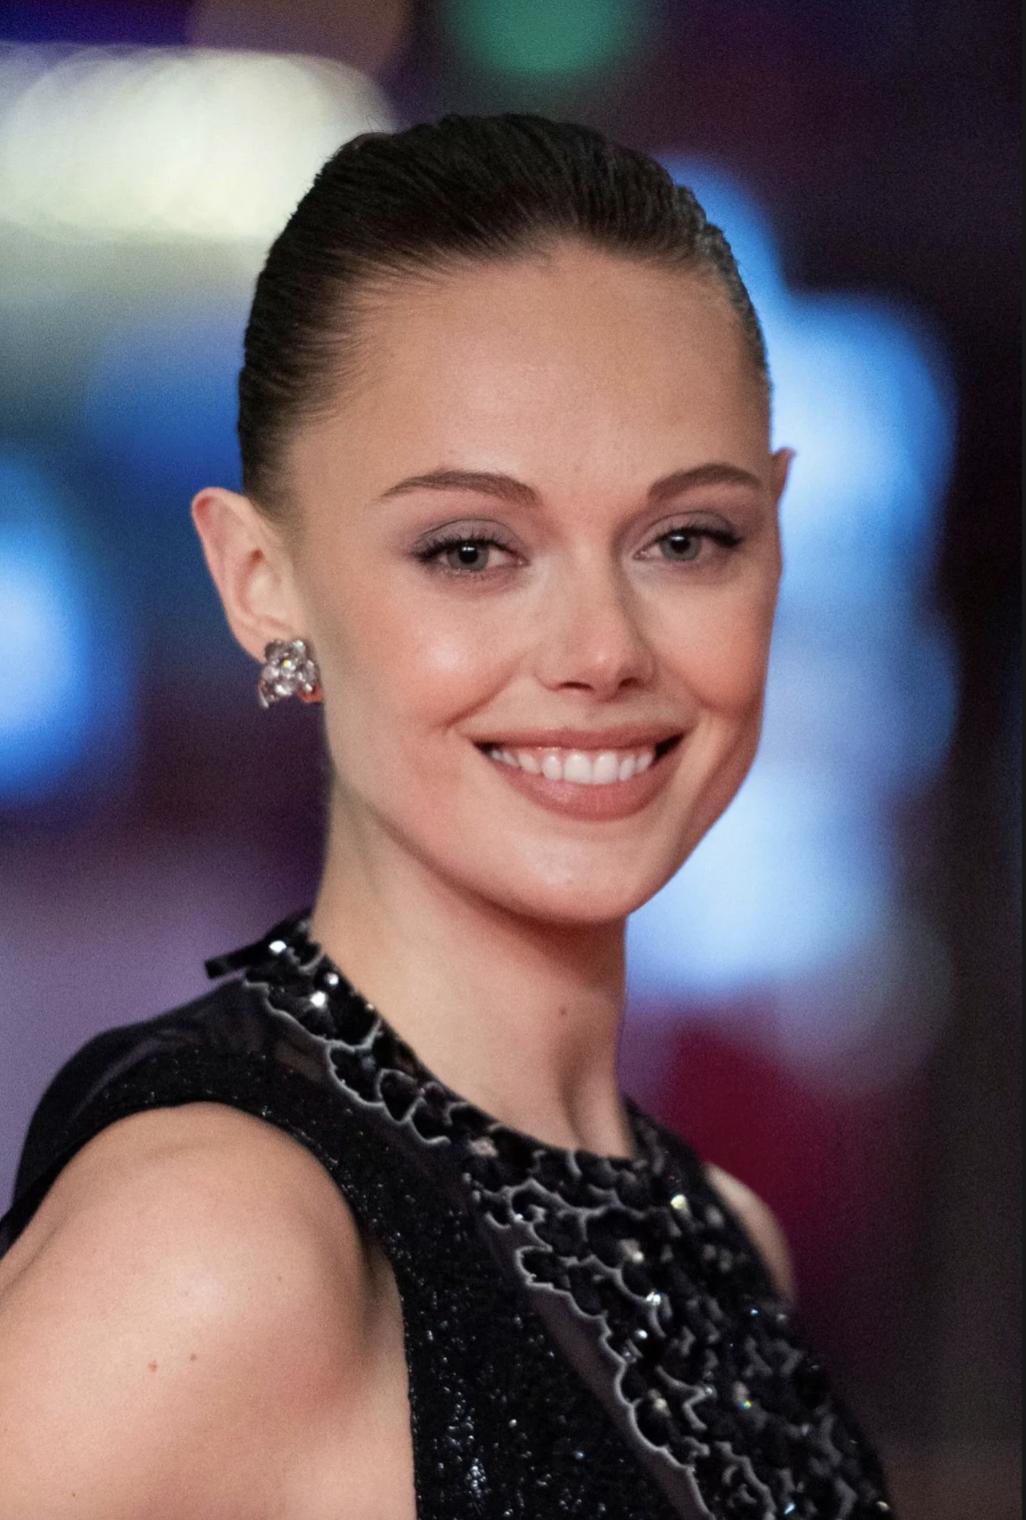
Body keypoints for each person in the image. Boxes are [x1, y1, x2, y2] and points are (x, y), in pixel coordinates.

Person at [0, 114, 895, 1519]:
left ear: (774, 539)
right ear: (262, 583)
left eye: (687, 540)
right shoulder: (216, 1243)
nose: (602, 651)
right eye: (471, 548)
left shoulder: (725, 1239)